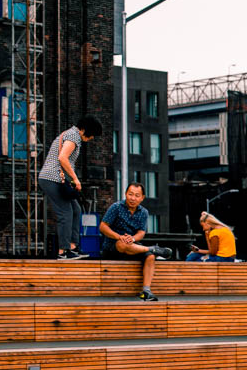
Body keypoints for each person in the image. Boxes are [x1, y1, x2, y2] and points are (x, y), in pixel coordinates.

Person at [38, 116, 101, 259]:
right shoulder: (74, 136)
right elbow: (62, 158)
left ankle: (73, 246)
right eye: (91, 135)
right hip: (51, 179)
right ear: (84, 130)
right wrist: (75, 179)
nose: (91, 138)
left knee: (76, 210)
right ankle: (63, 251)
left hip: (56, 179)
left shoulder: (69, 134)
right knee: (65, 214)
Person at [99, 182, 173, 301]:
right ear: (125, 194)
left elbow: (141, 233)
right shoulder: (116, 207)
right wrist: (118, 236)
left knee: (150, 257)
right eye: (130, 194)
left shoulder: (144, 212)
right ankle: (151, 248)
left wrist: (133, 238)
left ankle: (146, 291)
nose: (133, 198)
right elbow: (103, 227)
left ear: (142, 198)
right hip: (113, 246)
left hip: (133, 246)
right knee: (122, 244)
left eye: (137, 195)